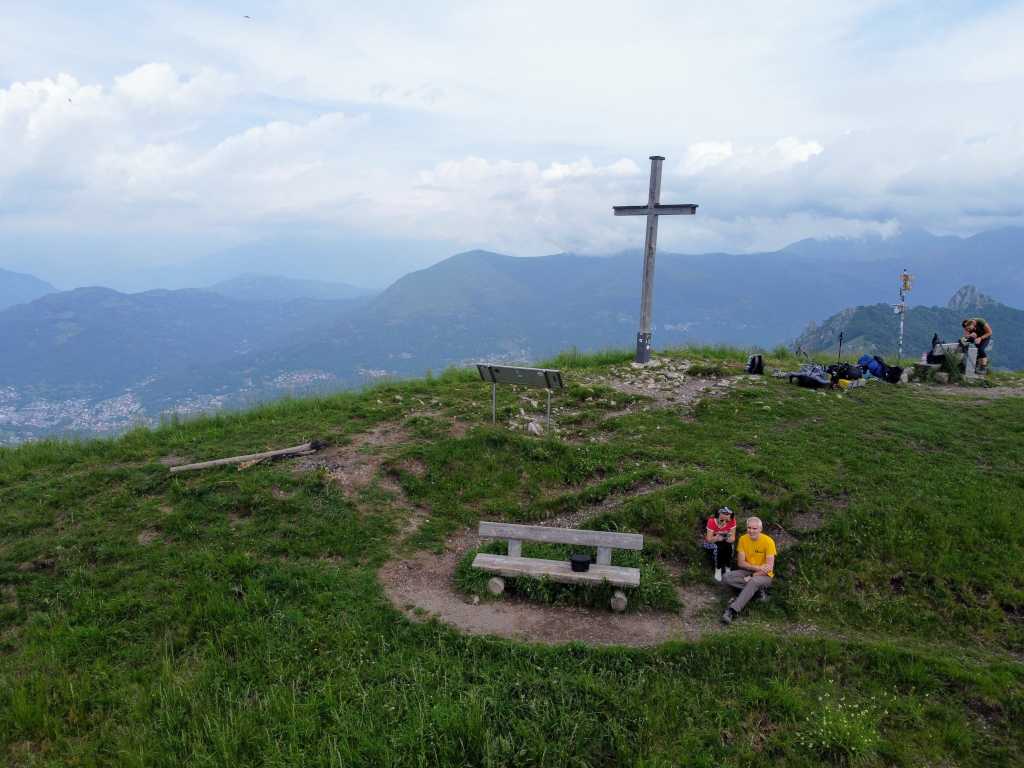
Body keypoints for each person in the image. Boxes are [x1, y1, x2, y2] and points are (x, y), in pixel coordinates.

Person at [720, 517, 776, 625]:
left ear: (760, 529)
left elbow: (769, 568)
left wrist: (754, 575)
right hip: (748, 571)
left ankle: (732, 611)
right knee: (726, 577)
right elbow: (741, 563)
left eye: (754, 528)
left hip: (765, 576)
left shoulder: (769, 542)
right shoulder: (743, 539)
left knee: (753, 582)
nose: (751, 531)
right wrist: (758, 568)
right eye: (749, 528)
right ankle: (757, 593)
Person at [703, 506, 736, 582]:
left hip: (725, 541)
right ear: (717, 517)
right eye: (721, 520)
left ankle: (728, 567)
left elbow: (733, 538)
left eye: (727, 521)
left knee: (729, 546)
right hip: (712, 541)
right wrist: (717, 538)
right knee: (719, 548)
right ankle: (718, 568)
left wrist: (726, 538)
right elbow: (708, 539)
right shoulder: (711, 522)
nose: (724, 523)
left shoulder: (733, 521)